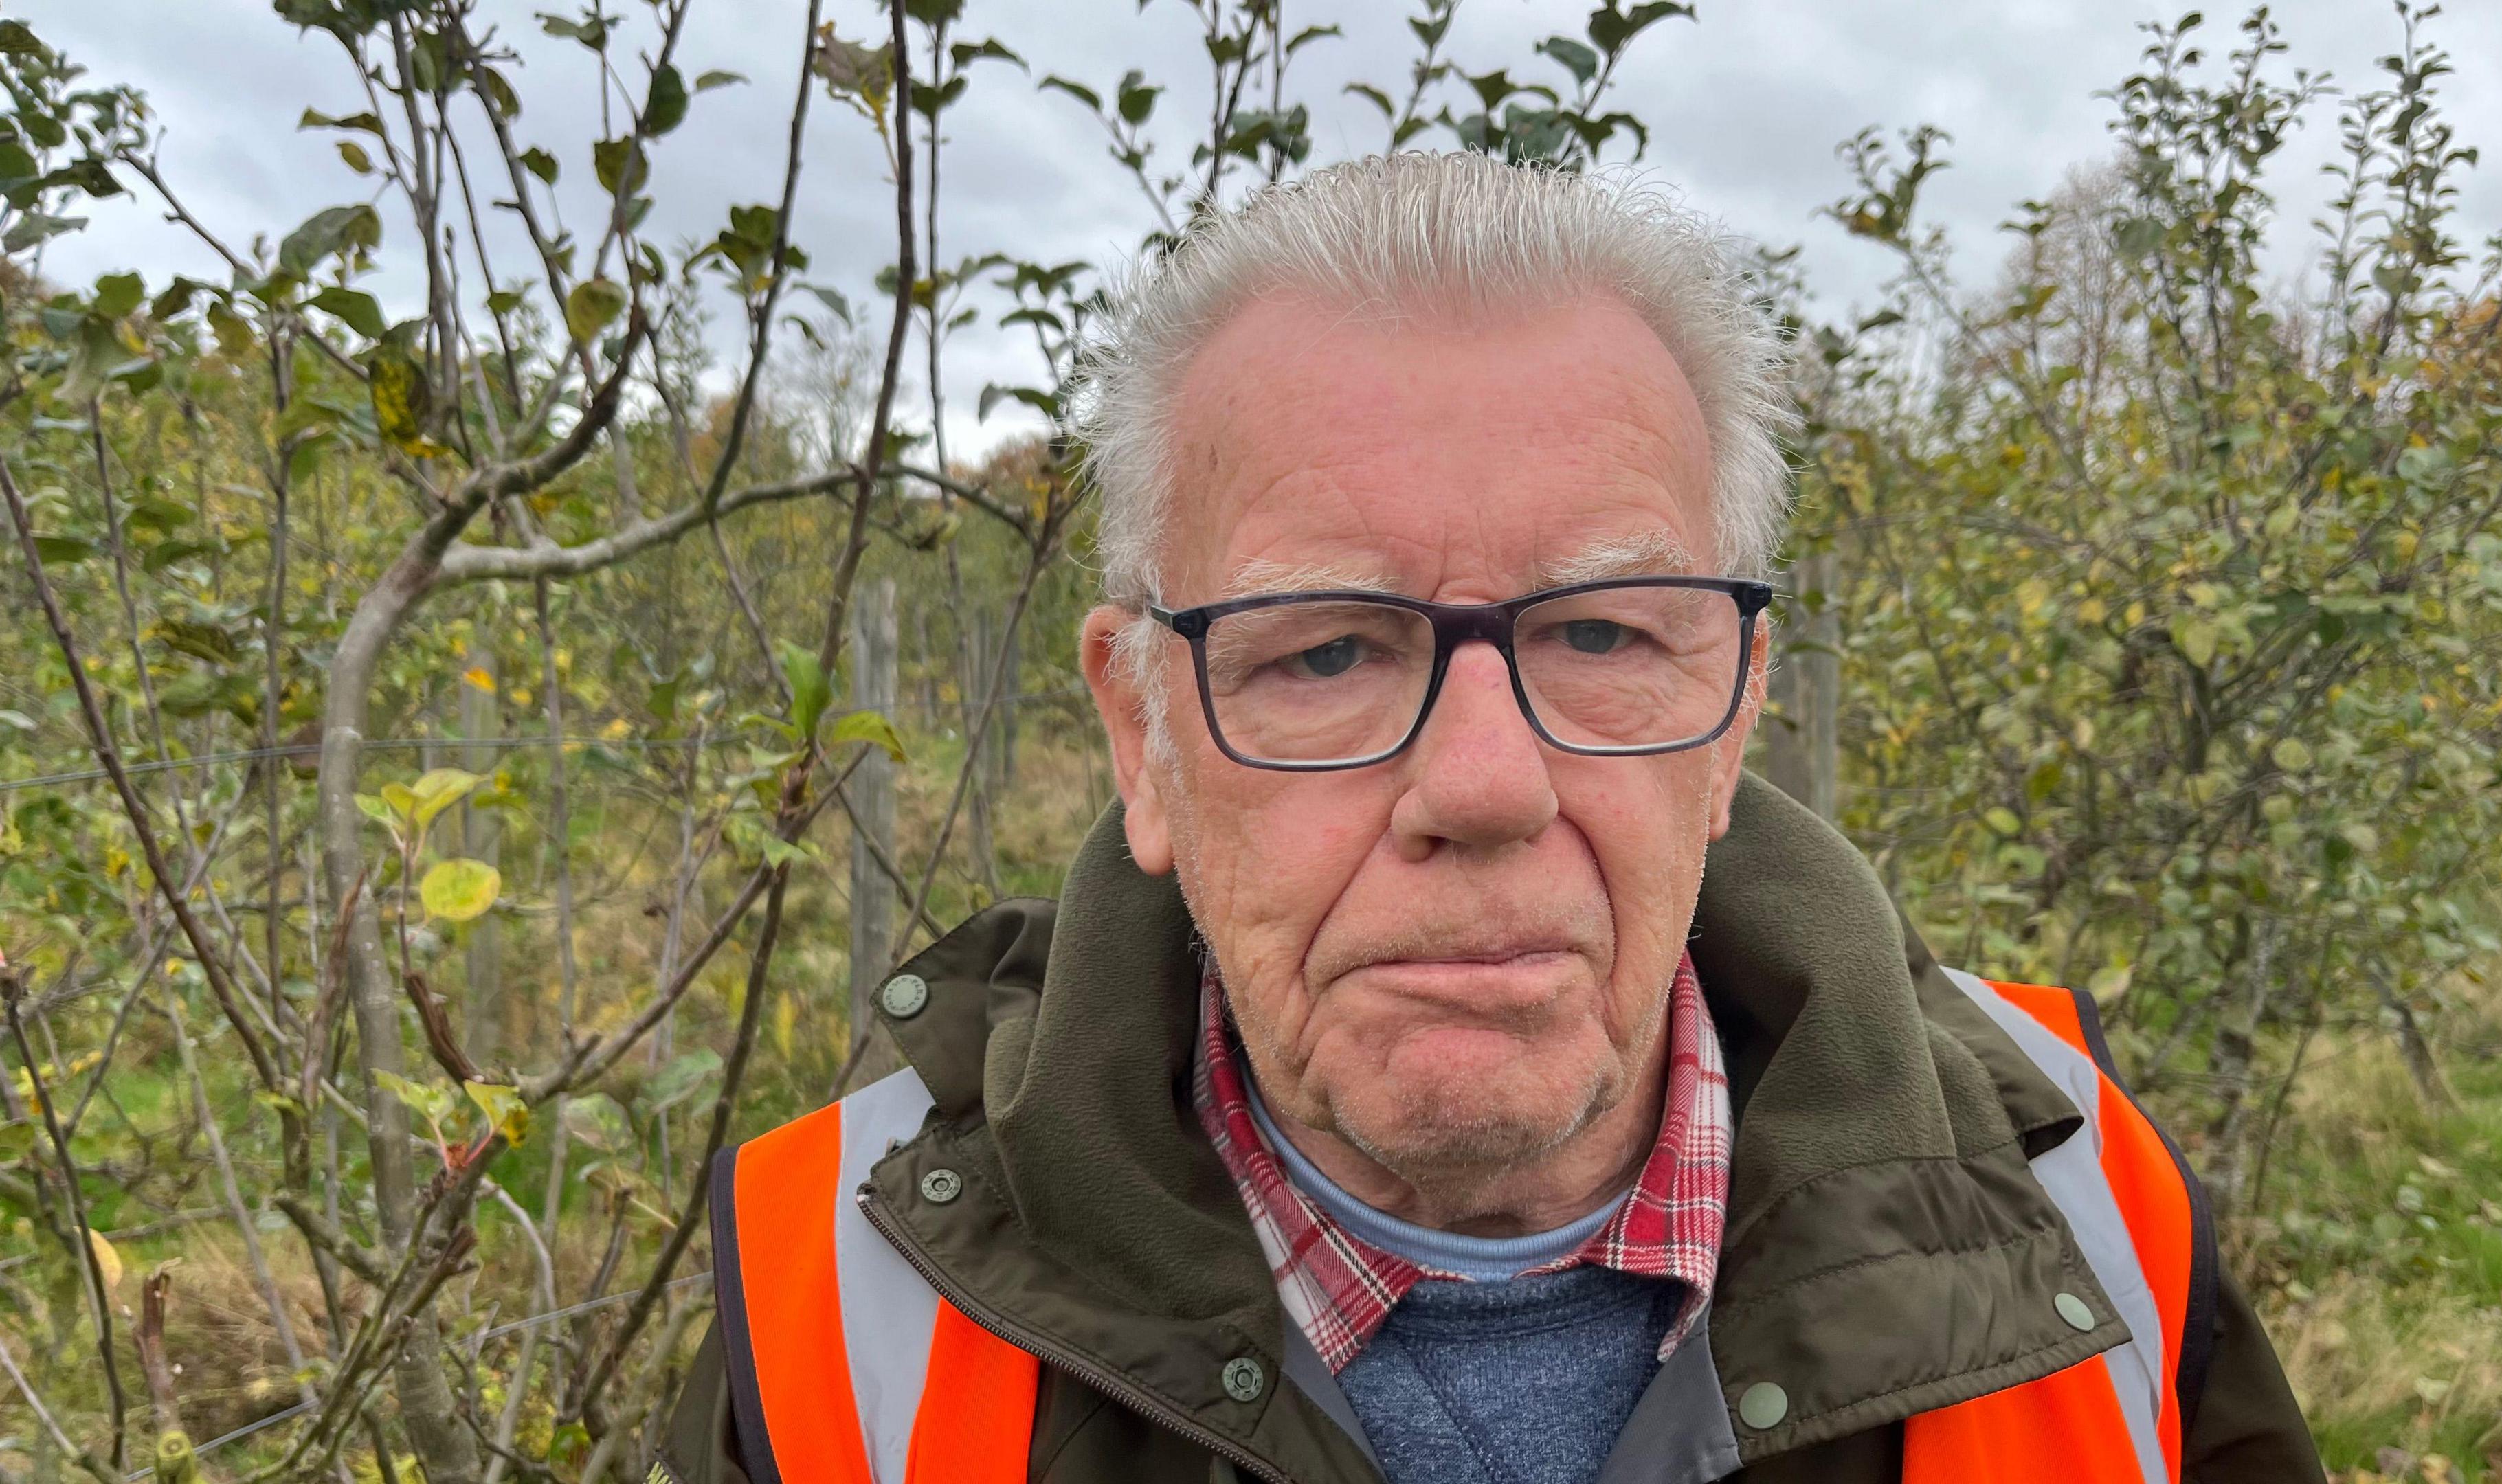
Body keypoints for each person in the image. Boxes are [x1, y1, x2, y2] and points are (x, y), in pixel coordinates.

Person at [660, 151, 2321, 1484]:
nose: (1481, 787)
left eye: (1603, 634)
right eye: (1321, 650)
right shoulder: (841, 1308)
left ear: (1734, 718)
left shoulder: (2083, 1205)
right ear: (1143, 737)